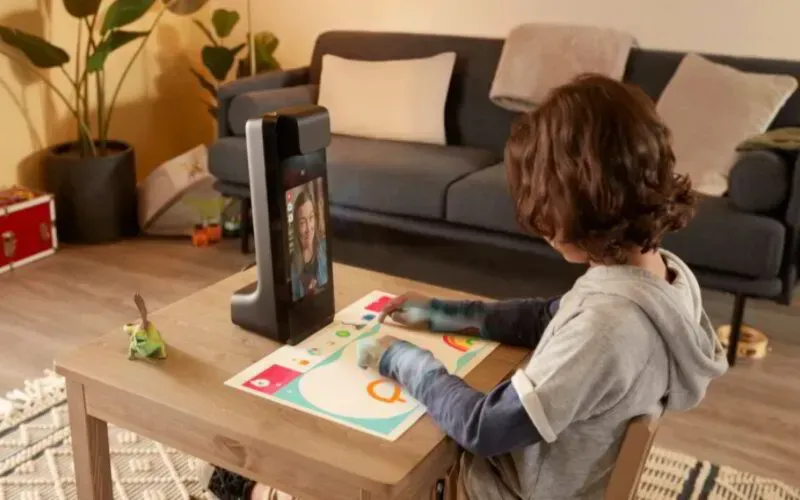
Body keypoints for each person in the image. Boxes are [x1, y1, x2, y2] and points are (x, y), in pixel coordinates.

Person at [199, 73, 728, 500]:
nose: (536, 221)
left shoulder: (607, 329)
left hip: (494, 490)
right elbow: (550, 316)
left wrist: (404, 361)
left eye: (541, 204)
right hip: (551, 477)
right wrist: (442, 314)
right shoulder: (660, 280)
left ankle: (257, 489)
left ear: (583, 201)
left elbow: (484, 428)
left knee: (359, 449)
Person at [290, 188, 328, 300]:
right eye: (302, 222)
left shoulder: (325, 248)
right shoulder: (291, 264)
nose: (309, 228)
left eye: (311, 218)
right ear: (296, 227)